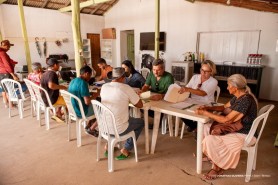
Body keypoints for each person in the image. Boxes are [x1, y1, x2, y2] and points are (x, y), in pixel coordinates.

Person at [195, 74, 258, 180]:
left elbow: (227, 119)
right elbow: (224, 107)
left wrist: (205, 113)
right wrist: (207, 108)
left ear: (235, 87)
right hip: (238, 127)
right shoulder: (239, 96)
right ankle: (212, 156)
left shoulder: (245, 100)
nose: (227, 87)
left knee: (210, 139)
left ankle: (217, 167)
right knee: (206, 127)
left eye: (229, 85)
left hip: (246, 133)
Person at [101, 67, 144, 160]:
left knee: (117, 118)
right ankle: (126, 149)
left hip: (104, 126)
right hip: (119, 129)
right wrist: (134, 96)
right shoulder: (126, 88)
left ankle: (108, 146)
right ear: (122, 77)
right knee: (140, 122)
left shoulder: (104, 87)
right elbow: (140, 105)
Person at [178, 60, 218, 132]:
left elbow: (203, 93)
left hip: (206, 103)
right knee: (179, 110)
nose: (203, 73)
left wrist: (188, 89)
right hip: (192, 102)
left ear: (211, 72)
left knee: (197, 111)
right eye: (202, 70)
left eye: (206, 71)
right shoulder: (195, 77)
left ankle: (195, 128)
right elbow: (186, 88)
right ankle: (195, 128)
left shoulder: (214, 81)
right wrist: (180, 92)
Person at [68, 65, 98, 137]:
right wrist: (96, 94)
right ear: (86, 73)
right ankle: (91, 128)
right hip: (81, 111)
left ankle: (88, 125)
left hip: (73, 109)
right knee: (101, 109)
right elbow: (87, 102)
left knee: (94, 104)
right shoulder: (83, 83)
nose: (90, 78)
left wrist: (89, 94)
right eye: (90, 75)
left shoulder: (73, 81)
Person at [0, 40, 19, 107]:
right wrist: (13, 75)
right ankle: (11, 104)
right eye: (8, 46)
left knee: (3, 89)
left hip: (1, 74)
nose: (9, 48)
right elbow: (7, 65)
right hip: (6, 74)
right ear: (5, 46)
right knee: (9, 89)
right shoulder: (3, 53)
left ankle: (6, 103)